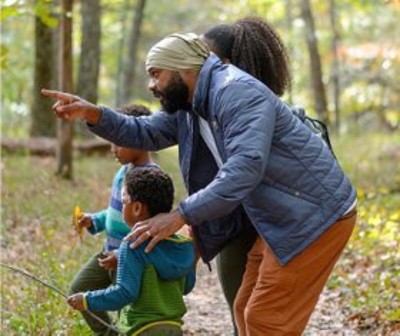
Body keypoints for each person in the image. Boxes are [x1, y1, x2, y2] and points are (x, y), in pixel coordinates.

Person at [42, 32, 357, 335]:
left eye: (156, 75)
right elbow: (144, 132)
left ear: (183, 70)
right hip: (281, 215)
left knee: (266, 320)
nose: (152, 86)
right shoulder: (191, 104)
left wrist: (180, 215)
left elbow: (245, 168)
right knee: (245, 309)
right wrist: (93, 114)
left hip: (315, 212)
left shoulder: (236, 91)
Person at [202, 17, 291, 334]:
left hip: (251, 221)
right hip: (269, 220)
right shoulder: (217, 105)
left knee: (249, 312)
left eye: (204, 58)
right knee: (254, 313)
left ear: (224, 63)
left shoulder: (237, 103)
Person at [67, 167, 195, 336]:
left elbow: (125, 293)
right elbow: (187, 286)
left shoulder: (132, 245)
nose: (121, 208)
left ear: (137, 208)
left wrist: (86, 300)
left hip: (141, 329)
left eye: (123, 201)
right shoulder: (182, 244)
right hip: (173, 328)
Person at [70, 104, 157, 335]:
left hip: (130, 259)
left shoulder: (149, 178)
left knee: (126, 308)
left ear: (140, 137)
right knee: (80, 287)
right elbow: (117, 211)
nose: (112, 148)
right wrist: (95, 220)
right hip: (108, 251)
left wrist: (124, 256)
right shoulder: (124, 170)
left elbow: (150, 227)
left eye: (118, 142)